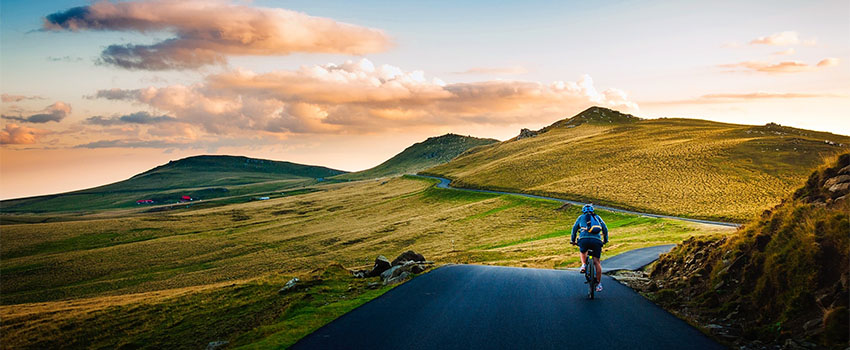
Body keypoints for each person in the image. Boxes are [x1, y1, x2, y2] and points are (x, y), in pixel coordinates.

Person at [570, 204, 608, 292]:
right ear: (593, 210)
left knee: (583, 251)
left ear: (583, 211)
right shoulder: (597, 218)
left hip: (584, 239)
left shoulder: (580, 218)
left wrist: (573, 240)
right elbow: (605, 229)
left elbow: (574, 229)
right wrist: (605, 240)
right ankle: (598, 284)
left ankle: (583, 265)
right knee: (597, 262)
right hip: (596, 240)